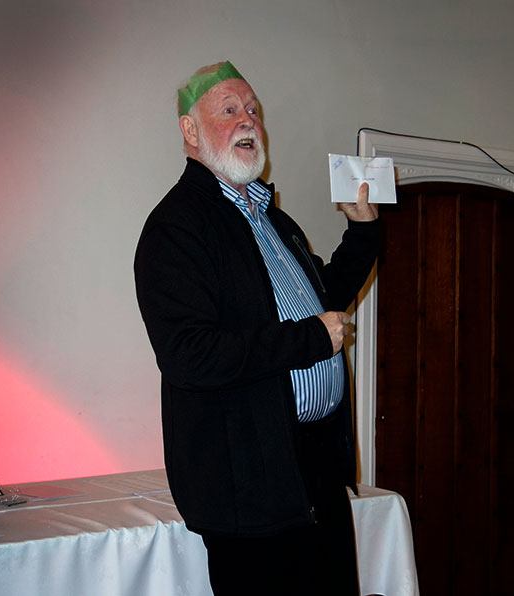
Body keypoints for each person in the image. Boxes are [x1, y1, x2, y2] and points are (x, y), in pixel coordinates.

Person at [134, 61, 379, 596]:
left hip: (312, 471)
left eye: (253, 111)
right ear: (191, 132)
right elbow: (190, 355)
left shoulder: (273, 219)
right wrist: (309, 340)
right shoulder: (176, 228)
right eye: (229, 110)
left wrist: (361, 235)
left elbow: (322, 304)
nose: (248, 121)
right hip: (246, 483)